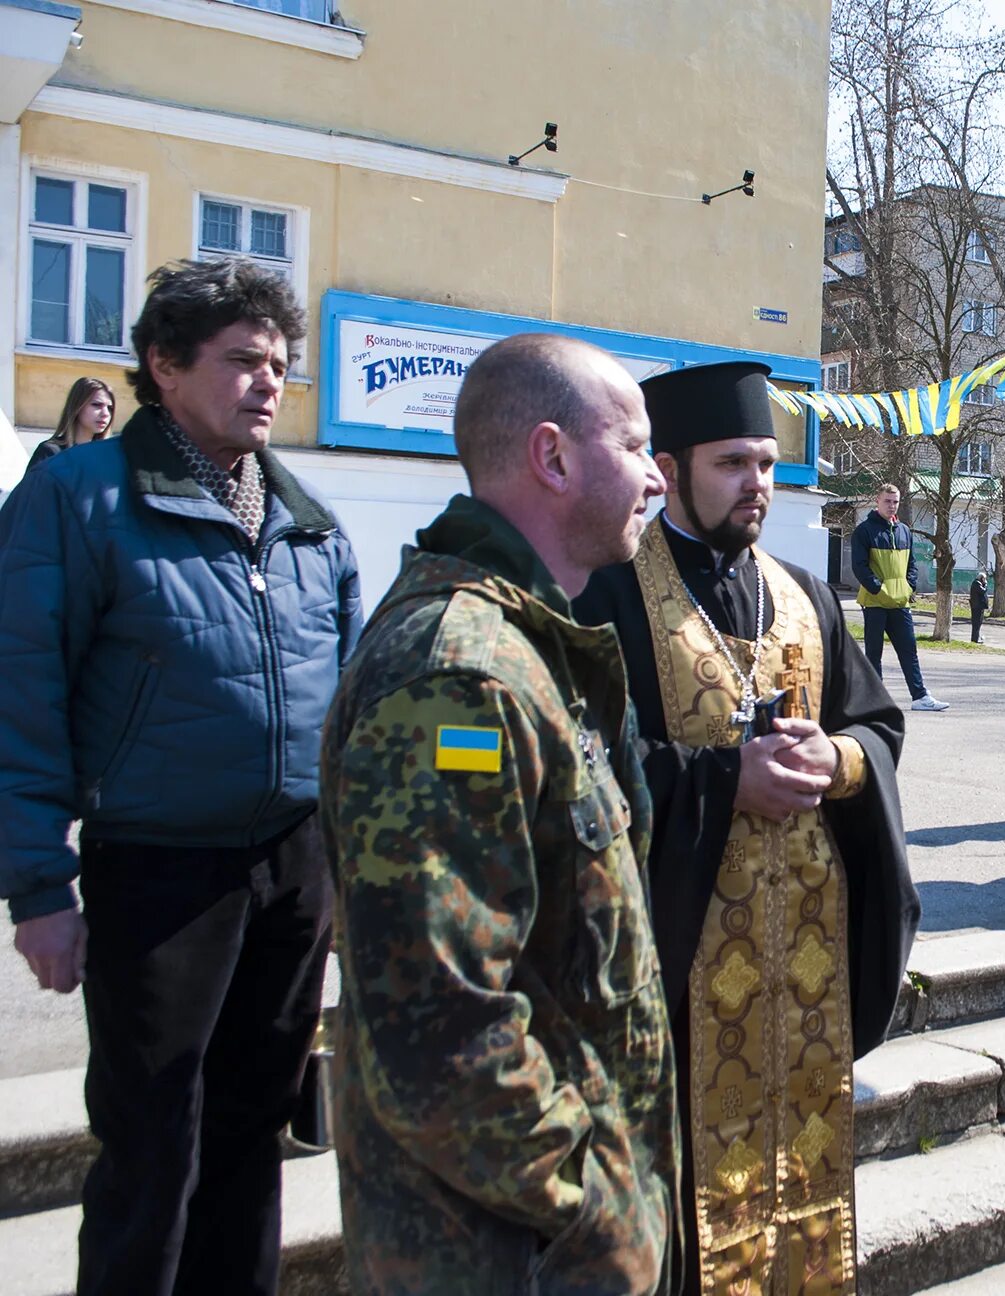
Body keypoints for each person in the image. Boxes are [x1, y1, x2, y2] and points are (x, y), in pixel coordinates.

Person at [0, 257, 360, 1296]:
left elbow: (339, 710)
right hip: (158, 874)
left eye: (279, 367)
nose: (267, 384)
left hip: (292, 874)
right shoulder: (78, 501)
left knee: (254, 1139)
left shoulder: (308, 521)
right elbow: (21, 697)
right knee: (153, 1144)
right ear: (163, 365)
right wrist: (37, 889)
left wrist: (337, 874)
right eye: (243, 360)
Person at [321, 334, 680, 1293]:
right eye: (637, 446)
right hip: (503, 1254)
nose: (656, 477)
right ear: (553, 457)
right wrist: (597, 1208)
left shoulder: (529, 646)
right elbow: (441, 1029)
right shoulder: (461, 676)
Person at [574, 360, 920, 1295]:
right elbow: (584, 771)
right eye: (733, 464)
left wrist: (835, 764)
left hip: (805, 958)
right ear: (673, 467)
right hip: (685, 954)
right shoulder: (607, 599)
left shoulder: (805, 590)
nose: (757, 484)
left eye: (767, 464)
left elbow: (876, 726)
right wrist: (727, 781)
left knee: (803, 1192)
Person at [851, 483, 950, 710]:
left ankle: (920, 697)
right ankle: (876, 701)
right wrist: (878, 589)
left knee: (909, 651)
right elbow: (859, 566)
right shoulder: (864, 531)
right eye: (887, 501)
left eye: (895, 502)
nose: (892, 506)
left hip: (900, 603)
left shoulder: (904, 530)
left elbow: (912, 564)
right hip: (875, 602)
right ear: (877, 501)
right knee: (873, 653)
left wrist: (909, 587)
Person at [27, 376, 117, 470]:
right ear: (78, 406)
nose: (106, 414)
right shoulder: (51, 452)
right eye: (96, 405)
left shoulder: (107, 458)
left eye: (110, 408)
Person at [969, 569, 989, 643]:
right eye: (984, 579)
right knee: (976, 623)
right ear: (981, 578)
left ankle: (976, 638)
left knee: (978, 623)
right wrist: (986, 585)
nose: (985, 580)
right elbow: (983, 591)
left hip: (978, 606)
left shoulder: (977, 583)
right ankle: (975, 639)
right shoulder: (977, 583)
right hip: (977, 607)